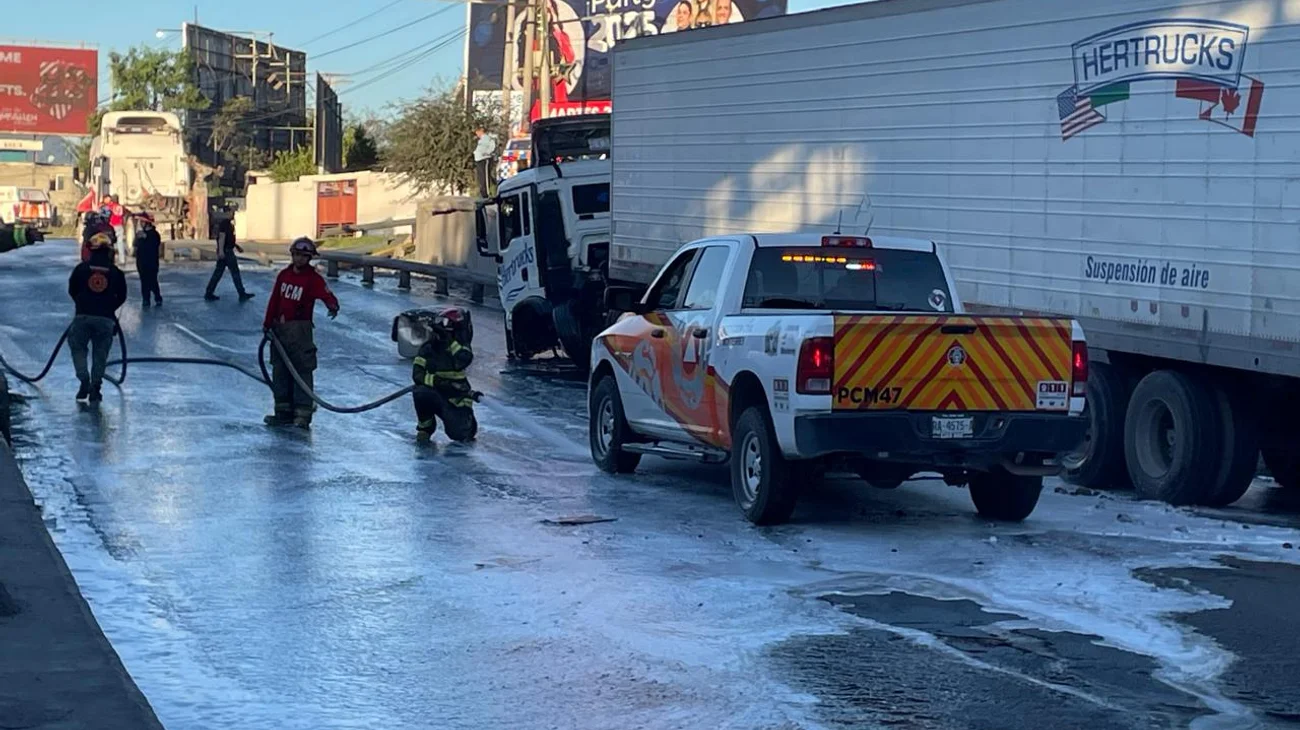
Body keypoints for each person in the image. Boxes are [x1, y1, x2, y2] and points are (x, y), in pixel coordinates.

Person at [262, 237, 340, 428]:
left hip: (300, 332)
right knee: (280, 372)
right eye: (296, 255)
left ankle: (302, 415)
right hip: (279, 331)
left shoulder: (313, 280)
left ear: (309, 258)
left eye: (304, 257)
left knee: (301, 371)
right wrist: (267, 324)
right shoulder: (284, 276)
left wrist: (332, 305)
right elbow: (274, 300)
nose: (299, 260)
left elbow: (326, 294)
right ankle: (283, 412)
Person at [67, 233, 127, 403]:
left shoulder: (81, 269)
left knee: (77, 348)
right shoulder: (116, 272)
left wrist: (82, 305)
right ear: (109, 251)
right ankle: (95, 387)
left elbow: (72, 290)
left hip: (82, 317)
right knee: (100, 354)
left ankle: (84, 379)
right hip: (106, 319)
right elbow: (122, 296)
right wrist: (108, 308)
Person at [411, 307, 479, 443]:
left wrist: (448, 341)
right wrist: (436, 382)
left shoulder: (461, 346)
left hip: (456, 399)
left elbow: (463, 360)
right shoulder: (429, 348)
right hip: (437, 394)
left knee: (459, 434)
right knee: (420, 392)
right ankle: (425, 428)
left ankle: (467, 425)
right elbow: (417, 375)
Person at [204, 207, 254, 302]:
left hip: (227, 250)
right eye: (232, 212)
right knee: (235, 273)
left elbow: (228, 238)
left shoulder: (228, 224)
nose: (233, 214)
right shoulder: (225, 224)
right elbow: (222, 237)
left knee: (218, 273)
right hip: (227, 252)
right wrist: (221, 251)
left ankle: (209, 292)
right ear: (227, 213)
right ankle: (241, 293)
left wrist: (236, 246)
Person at [133, 213, 164, 306]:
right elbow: (135, 245)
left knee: (152, 280)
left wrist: (146, 238)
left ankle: (157, 296)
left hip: (151, 262)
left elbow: (154, 245)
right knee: (144, 281)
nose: (140, 223)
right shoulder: (139, 234)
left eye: (142, 222)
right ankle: (146, 299)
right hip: (141, 262)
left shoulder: (154, 234)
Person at [473, 127, 498, 198]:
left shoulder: (487, 138)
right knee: (481, 178)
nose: (476, 133)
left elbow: (492, 146)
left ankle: (487, 193)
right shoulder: (480, 140)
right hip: (479, 160)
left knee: (485, 177)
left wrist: (487, 153)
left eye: (477, 131)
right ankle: (483, 193)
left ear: (481, 131)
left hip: (484, 160)